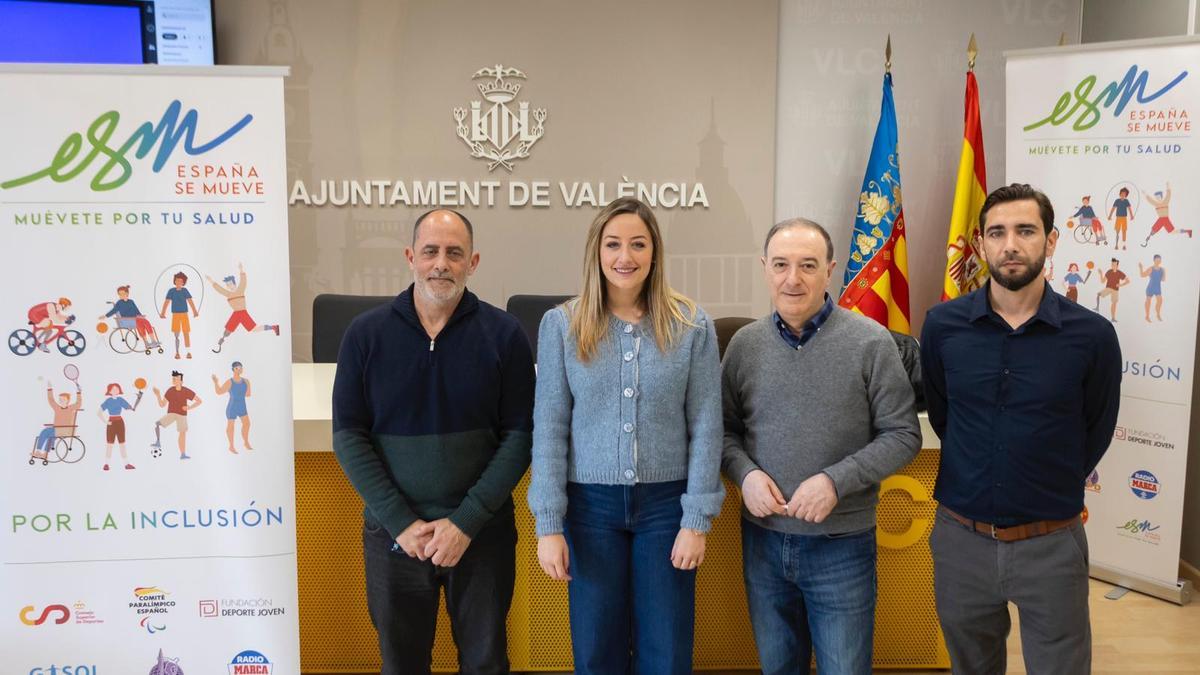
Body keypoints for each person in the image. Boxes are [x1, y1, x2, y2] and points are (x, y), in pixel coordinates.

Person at [921, 183, 1121, 675]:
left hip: (1051, 543)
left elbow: (1095, 431)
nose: (1010, 244)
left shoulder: (1093, 336)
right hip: (961, 541)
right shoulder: (943, 326)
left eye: (1025, 230)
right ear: (982, 244)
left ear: (1051, 241)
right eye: (997, 232)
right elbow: (945, 417)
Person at [332, 208, 534, 675]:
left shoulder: (505, 335)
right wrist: (402, 523)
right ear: (411, 257)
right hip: (395, 536)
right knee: (401, 664)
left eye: (454, 253)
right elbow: (348, 438)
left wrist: (464, 522)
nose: (441, 263)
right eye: (430, 251)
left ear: (473, 262)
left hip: (481, 537)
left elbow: (520, 438)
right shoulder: (365, 335)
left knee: (486, 663)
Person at [528, 197, 723, 675]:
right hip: (590, 508)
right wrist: (549, 524)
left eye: (638, 244)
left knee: (668, 653)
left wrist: (696, 519)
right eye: (613, 244)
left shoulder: (690, 325)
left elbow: (706, 426)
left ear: (654, 253)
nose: (625, 256)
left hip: (666, 509)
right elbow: (550, 428)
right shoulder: (562, 326)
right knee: (596, 652)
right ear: (596, 251)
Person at [722, 218, 921, 675]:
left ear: (829, 270)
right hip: (763, 542)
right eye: (781, 265)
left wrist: (836, 481)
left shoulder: (870, 342)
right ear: (765, 268)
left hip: (841, 545)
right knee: (778, 667)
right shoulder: (743, 347)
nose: (793, 279)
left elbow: (903, 434)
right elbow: (724, 433)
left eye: (808, 265)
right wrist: (745, 474)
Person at [206, 263, 281, 353]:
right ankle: (221, 342)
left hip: (242, 313)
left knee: (253, 329)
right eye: (227, 285)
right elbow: (220, 289)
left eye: (230, 284)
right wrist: (211, 281)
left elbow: (243, 282)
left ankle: (273, 327)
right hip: (236, 314)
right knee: (227, 331)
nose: (229, 286)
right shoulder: (228, 294)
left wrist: (241, 270)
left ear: (234, 283)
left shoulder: (240, 290)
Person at [151, 371, 202, 459]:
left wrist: (189, 408)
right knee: (157, 424)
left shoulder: (186, 391)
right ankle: (158, 442)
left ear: (181, 381)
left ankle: (182, 454)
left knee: (182, 433)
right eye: (173, 378)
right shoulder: (170, 390)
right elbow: (162, 404)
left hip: (182, 414)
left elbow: (199, 401)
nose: (174, 380)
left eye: (176, 379)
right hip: (172, 413)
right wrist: (158, 395)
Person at [97, 382, 142, 470]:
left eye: (116, 389)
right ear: (109, 391)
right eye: (113, 389)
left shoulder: (120, 399)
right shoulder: (108, 401)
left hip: (120, 423)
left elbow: (132, 408)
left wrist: (139, 398)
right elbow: (99, 412)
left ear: (119, 390)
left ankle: (126, 464)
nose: (115, 390)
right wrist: (106, 422)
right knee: (110, 444)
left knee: (122, 444)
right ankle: (106, 464)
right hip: (111, 423)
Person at [100, 285, 161, 349]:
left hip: (136, 318)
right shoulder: (119, 303)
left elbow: (136, 310)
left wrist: (141, 316)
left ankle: (153, 341)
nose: (121, 295)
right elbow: (113, 311)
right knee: (140, 323)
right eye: (119, 294)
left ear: (127, 294)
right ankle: (146, 342)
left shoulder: (131, 301)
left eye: (123, 294)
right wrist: (105, 316)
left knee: (145, 322)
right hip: (127, 319)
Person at [34, 382, 82, 461]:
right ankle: (42, 453)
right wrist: (49, 389)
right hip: (57, 429)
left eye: (63, 399)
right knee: (47, 434)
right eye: (60, 399)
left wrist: (78, 392)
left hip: (66, 430)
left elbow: (78, 403)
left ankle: (40, 452)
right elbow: (51, 400)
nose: (60, 401)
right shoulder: (57, 408)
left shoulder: (71, 408)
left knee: (46, 432)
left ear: (68, 400)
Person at [213, 361, 252, 453]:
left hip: (242, 406)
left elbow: (248, 394)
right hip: (232, 406)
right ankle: (231, 446)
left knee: (247, 424)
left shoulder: (246, 381)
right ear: (233, 369)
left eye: (240, 368)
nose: (239, 369)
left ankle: (246, 442)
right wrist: (216, 382)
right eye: (237, 368)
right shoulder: (229, 382)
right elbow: (219, 391)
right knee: (231, 426)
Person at [159, 271, 199, 360]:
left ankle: (188, 352)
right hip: (175, 315)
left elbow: (190, 301)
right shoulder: (171, 291)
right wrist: (163, 312)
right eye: (177, 280)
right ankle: (177, 352)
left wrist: (195, 311)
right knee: (176, 334)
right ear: (175, 281)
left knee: (186, 332)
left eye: (181, 281)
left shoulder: (185, 290)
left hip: (184, 314)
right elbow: (166, 302)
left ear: (183, 282)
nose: (179, 282)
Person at [1094, 258, 1129, 322]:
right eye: (1112, 264)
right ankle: (1097, 307)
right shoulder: (1109, 271)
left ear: (1117, 265)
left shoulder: (1119, 273)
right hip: (1108, 288)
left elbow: (1128, 281)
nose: (1113, 266)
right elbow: (1102, 281)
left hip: (1115, 290)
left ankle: (1113, 318)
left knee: (1114, 302)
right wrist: (1101, 274)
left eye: (1114, 264)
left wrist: (1120, 285)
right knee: (1098, 294)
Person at [1139, 255, 1166, 322]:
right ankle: (1147, 316)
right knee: (1148, 301)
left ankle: (1158, 314)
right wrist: (1141, 268)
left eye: (1159, 260)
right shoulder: (1151, 268)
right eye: (1157, 260)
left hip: (1157, 288)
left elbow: (1163, 279)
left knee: (1160, 300)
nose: (1158, 261)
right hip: (1150, 287)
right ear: (1154, 260)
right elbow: (1142, 275)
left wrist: (1164, 272)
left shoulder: (1162, 269)